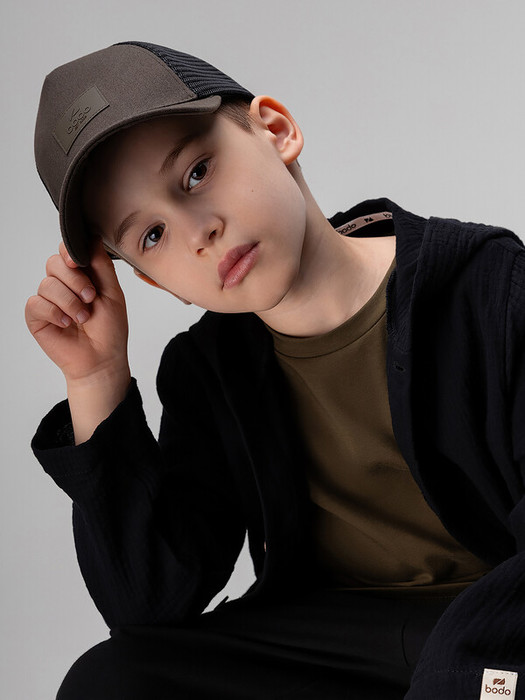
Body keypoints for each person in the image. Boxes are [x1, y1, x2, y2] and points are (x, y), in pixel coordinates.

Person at [26, 41, 525, 700]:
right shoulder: (209, 372)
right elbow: (148, 605)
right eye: (151, 236)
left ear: (276, 130)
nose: (197, 232)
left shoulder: (491, 289)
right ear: (153, 282)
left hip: (497, 628)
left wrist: (459, 670)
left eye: (196, 173)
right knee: (110, 681)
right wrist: (95, 380)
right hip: (341, 644)